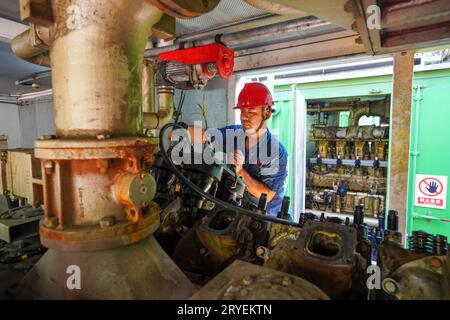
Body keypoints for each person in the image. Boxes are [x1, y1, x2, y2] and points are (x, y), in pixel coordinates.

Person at [186, 82, 289, 217]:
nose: (244, 117)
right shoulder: (234, 133)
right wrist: (174, 129)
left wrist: (241, 171)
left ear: (267, 113)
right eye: (242, 111)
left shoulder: (277, 153)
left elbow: (267, 195)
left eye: (251, 111)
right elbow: (206, 135)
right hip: (235, 208)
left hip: (263, 218)